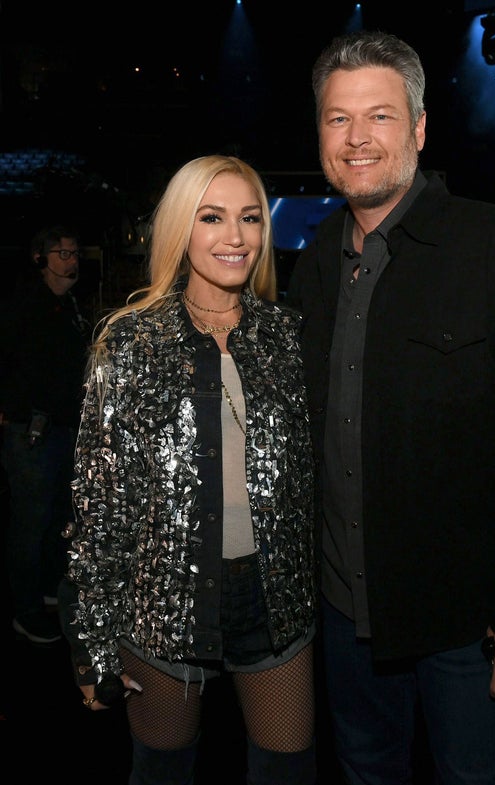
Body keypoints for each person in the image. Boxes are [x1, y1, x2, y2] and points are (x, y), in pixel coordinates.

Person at [286, 30, 495, 785]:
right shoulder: (315, 261)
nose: (357, 138)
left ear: (420, 128)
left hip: (468, 630)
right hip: (343, 617)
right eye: (337, 119)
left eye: (381, 116)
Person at [57, 155, 317, 785]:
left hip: (274, 599)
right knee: (162, 773)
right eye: (213, 217)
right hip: (163, 608)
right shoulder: (129, 342)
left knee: (288, 770)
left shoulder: (286, 335)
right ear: (181, 228)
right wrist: (92, 644)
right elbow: (99, 506)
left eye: (250, 218)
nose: (236, 236)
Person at [0, 223, 90, 645]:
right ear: (41, 258)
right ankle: (26, 609)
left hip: (64, 429)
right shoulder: (24, 304)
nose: (71, 260)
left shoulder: (72, 304)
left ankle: (51, 589)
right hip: (32, 432)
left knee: (58, 516)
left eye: (74, 252)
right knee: (30, 523)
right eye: (62, 253)